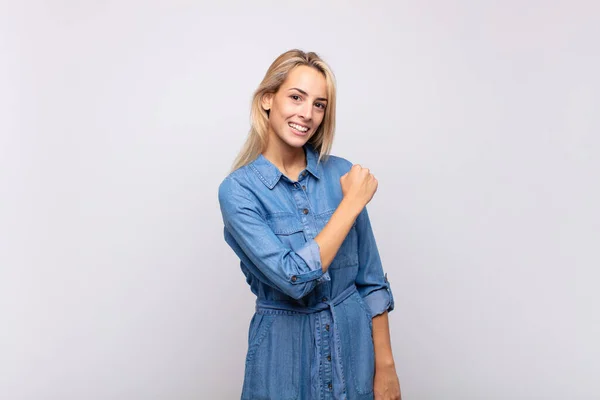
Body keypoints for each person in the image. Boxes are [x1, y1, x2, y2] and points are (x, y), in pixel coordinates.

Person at [218, 49, 401, 400]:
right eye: (296, 97)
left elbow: (371, 281)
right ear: (268, 99)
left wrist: (386, 368)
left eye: (319, 104)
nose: (307, 114)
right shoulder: (239, 192)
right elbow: (295, 278)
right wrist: (350, 204)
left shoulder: (342, 173)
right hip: (283, 359)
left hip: (354, 353)